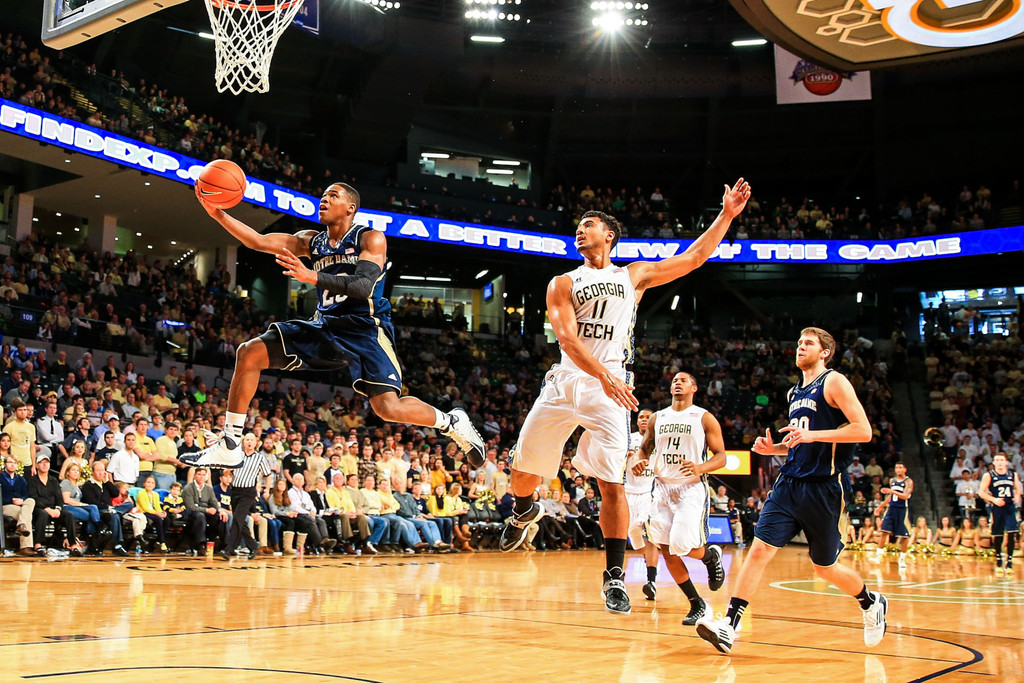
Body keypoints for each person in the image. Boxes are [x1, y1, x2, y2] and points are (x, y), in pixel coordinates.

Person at [500, 179, 752, 615]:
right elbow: (567, 338)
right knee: (523, 471)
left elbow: (694, 258)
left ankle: (614, 578)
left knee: (611, 484)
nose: (580, 231)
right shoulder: (562, 282)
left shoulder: (632, 275)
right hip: (568, 380)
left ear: (609, 236)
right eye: (578, 226)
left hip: (610, 389)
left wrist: (726, 215)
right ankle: (524, 510)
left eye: (589, 225)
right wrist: (604, 376)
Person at [181, 182, 485, 471]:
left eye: (333, 195)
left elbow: (363, 285)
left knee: (387, 409)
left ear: (350, 207)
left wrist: (312, 277)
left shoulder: (370, 238)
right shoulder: (312, 241)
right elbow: (257, 241)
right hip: (325, 325)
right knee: (249, 352)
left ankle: (451, 422)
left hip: (364, 328)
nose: (323, 200)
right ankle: (231, 444)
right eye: (323, 195)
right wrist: (218, 213)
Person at [696, 327, 886, 655]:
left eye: (808, 343)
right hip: (789, 483)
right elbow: (802, 441)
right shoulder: (794, 392)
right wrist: (775, 451)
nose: (800, 347)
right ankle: (729, 625)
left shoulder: (834, 382)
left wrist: (811, 437)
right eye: (798, 343)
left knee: (823, 567)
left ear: (825, 352)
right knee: (759, 551)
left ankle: (870, 602)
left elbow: (863, 431)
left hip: (825, 488)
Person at [633, 372, 727, 626]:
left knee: (681, 546)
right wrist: (641, 460)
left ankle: (709, 556)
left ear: (694, 388)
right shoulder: (657, 417)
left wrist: (700, 467)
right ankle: (696, 603)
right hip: (662, 488)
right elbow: (645, 446)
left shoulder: (704, 417)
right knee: (666, 549)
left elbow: (721, 457)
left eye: (683, 380)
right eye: (674, 380)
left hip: (690, 489)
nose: (677, 382)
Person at [624, 409, 660, 600]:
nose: (644, 420)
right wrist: (625, 455)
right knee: (635, 541)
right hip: (628, 492)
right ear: (637, 422)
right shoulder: (627, 438)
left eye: (648, 417)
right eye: (641, 417)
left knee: (649, 535)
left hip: (648, 493)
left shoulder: (659, 440)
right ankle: (650, 562)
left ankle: (651, 581)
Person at [220, 432, 272, 560]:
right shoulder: (237, 455)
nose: (249, 442)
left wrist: (267, 490)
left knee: (237, 519)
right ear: (243, 442)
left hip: (248, 492)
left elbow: (268, 474)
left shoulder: (260, 458)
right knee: (240, 521)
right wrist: (227, 470)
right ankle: (253, 545)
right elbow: (227, 471)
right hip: (235, 491)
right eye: (247, 439)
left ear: (256, 443)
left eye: (251, 440)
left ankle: (229, 549)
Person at [979, 452, 1022, 575]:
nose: (999, 462)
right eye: (997, 460)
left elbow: (1018, 490)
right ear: (993, 463)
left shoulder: (1013, 475)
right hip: (998, 507)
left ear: (1006, 462)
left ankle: (1009, 562)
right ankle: (998, 560)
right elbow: (981, 492)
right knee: (998, 534)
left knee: (1012, 532)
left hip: (1009, 507)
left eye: (1001, 460)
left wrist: (1017, 496)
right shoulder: (989, 475)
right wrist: (994, 500)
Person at [27, 454, 75, 557]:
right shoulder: (32, 480)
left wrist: (57, 509)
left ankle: (73, 544)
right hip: (39, 508)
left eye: (47, 463)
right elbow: (34, 498)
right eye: (42, 462)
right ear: (37, 465)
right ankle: (38, 544)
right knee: (42, 514)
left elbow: (59, 498)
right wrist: (47, 509)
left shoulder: (54, 480)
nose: (45, 465)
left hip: (54, 509)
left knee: (69, 515)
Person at [871, 462, 914, 566]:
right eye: (896, 468)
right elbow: (890, 497)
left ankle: (902, 559)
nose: (898, 470)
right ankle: (878, 556)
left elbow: (905, 496)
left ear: (905, 469)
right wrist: (880, 507)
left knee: (904, 536)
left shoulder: (909, 481)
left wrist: (892, 491)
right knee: (884, 531)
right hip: (891, 508)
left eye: (900, 468)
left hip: (902, 509)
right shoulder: (892, 481)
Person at [2, 453, 36, 554]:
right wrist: (11, 500)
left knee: (31, 501)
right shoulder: (0, 477)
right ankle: (25, 547)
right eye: (10, 462)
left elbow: (25, 495)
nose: (12, 465)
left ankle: (21, 525)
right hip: (5, 506)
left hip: (20, 506)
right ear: (5, 464)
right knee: (27, 515)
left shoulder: (21, 479)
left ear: (17, 465)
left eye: (14, 463)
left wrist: (21, 500)